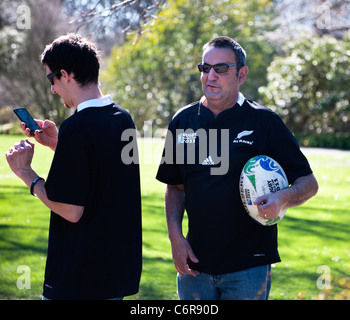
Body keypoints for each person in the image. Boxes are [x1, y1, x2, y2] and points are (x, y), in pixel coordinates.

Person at [156, 36, 318, 300]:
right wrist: (176, 238)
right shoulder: (183, 121)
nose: (211, 76)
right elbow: (175, 186)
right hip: (194, 266)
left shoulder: (265, 122)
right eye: (205, 68)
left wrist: (281, 198)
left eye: (221, 69)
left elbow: (308, 183)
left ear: (241, 74)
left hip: (249, 266)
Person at [5, 34, 142, 300]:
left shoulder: (77, 127)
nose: (53, 90)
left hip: (78, 279)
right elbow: (103, 174)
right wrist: (60, 145)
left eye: (51, 79)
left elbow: (70, 210)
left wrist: (27, 175)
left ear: (65, 75)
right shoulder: (123, 119)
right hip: (114, 275)